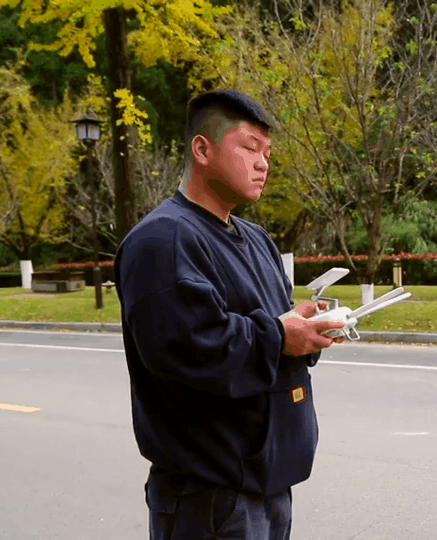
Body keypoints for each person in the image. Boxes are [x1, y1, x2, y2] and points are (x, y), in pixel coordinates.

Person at [113, 89, 346, 540]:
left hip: (269, 479)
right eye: (249, 148)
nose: (263, 164)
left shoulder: (256, 239)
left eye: (268, 153)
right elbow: (191, 348)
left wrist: (305, 328)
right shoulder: (164, 240)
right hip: (211, 494)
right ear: (202, 150)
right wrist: (280, 336)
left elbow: (272, 329)